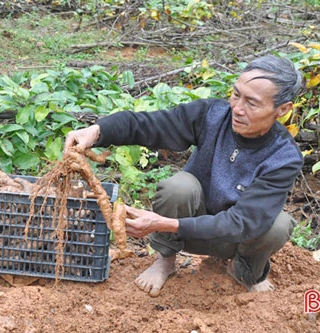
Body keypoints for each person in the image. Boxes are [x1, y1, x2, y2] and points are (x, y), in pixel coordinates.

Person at [64, 55, 304, 297]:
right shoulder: (212, 116)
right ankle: (165, 259)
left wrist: (162, 223)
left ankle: (243, 270)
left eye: (251, 103)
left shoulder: (283, 157)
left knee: (277, 225)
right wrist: (97, 131)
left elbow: (242, 223)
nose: (237, 108)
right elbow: (150, 125)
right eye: (235, 94)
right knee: (178, 187)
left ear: (282, 110)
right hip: (189, 225)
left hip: (235, 237)